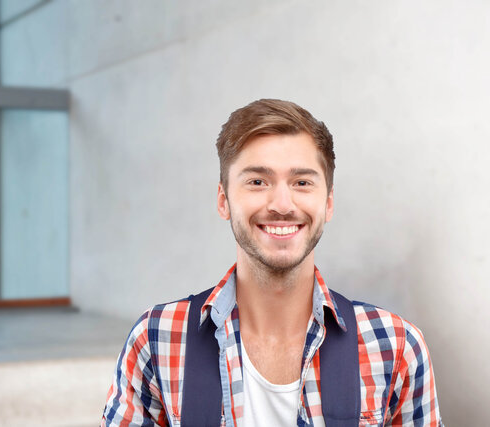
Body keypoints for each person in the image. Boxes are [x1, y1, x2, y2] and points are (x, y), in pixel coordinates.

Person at [102, 99, 443, 426]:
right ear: (224, 201)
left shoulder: (396, 346)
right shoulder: (156, 339)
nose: (282, 203)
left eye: (302, 182)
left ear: (328, 203)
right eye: (257, 182)